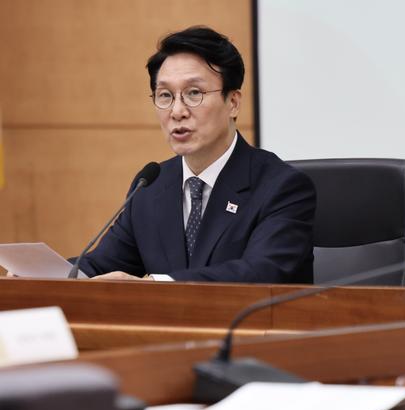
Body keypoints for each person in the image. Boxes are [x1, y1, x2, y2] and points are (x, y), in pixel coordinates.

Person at [76, 26, 316, 282]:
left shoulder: (281, 188)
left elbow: (261, 273)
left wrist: (157, 285)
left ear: (233, 103)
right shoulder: (150, 187)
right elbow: (97, 267)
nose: (177, 111)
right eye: (165, 95)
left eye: (194, 93)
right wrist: (51, 275)